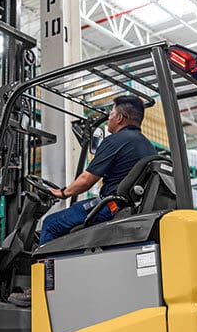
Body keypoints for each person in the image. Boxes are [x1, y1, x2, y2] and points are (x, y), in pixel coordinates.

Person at [8, 95, 155, 307]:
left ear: (121, 118)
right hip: (128, 207)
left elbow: (87, 179)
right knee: (72, 219)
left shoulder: (115, 141)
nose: (108, 119)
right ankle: (65, 275)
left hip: (111, 206)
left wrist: (63, 193)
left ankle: (41, 288)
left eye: (111, 114)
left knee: (52, 224)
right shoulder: (147, 146)